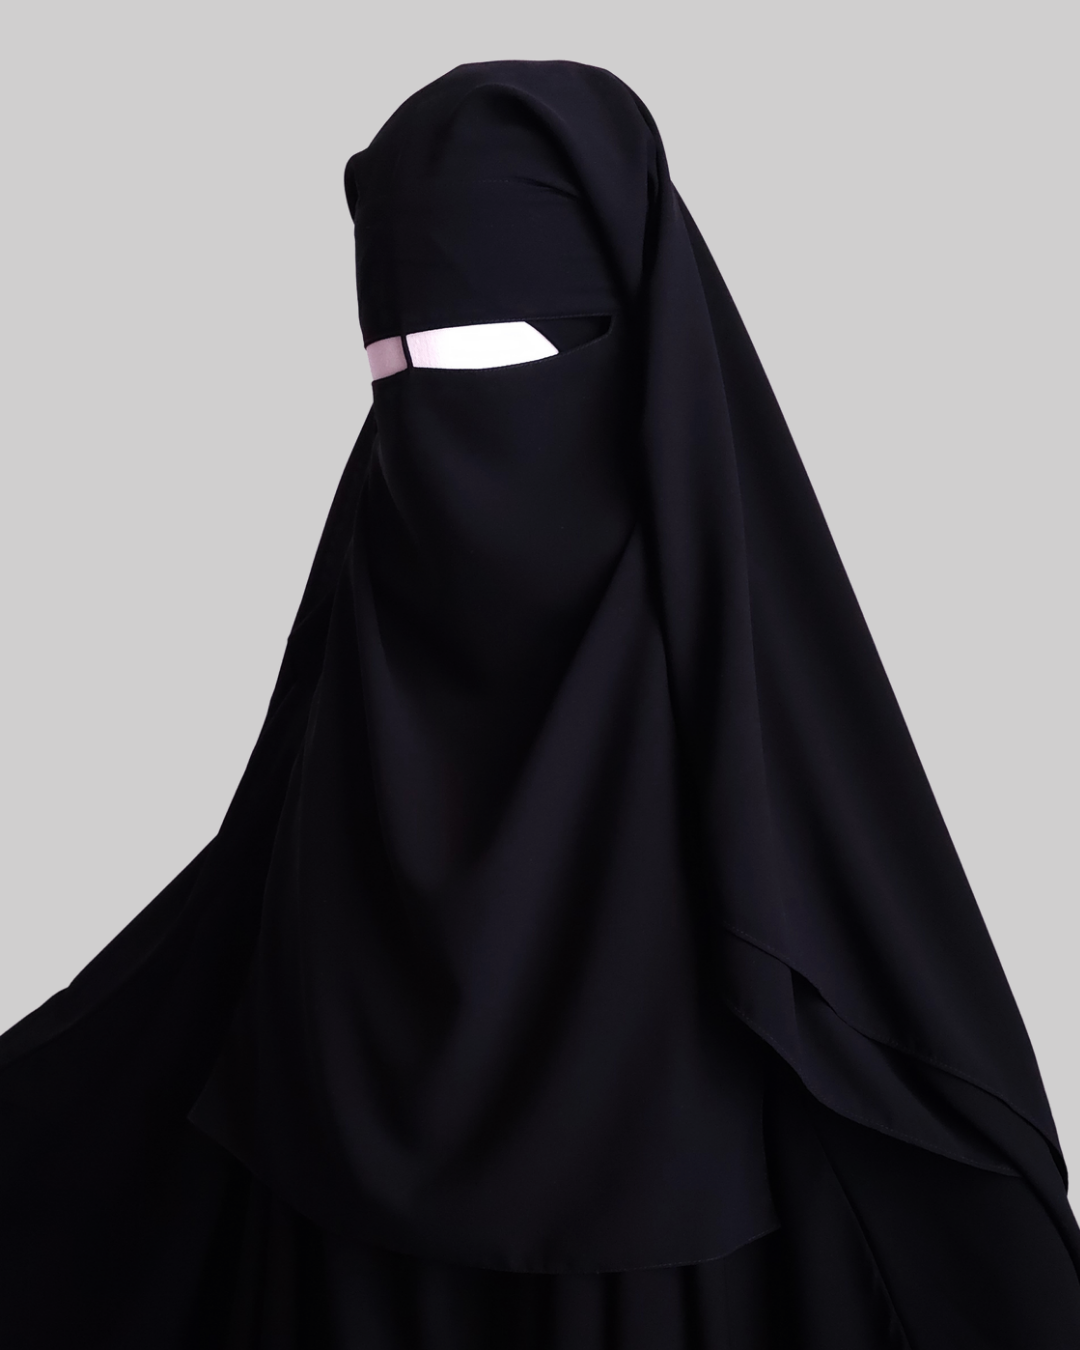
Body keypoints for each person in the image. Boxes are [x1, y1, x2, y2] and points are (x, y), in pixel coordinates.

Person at [2, 59, 1078, 1349]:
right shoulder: (367, 658)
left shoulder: (729, 722)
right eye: (394, 368)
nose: (438, 419)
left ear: (620, 352)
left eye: (494, 357)